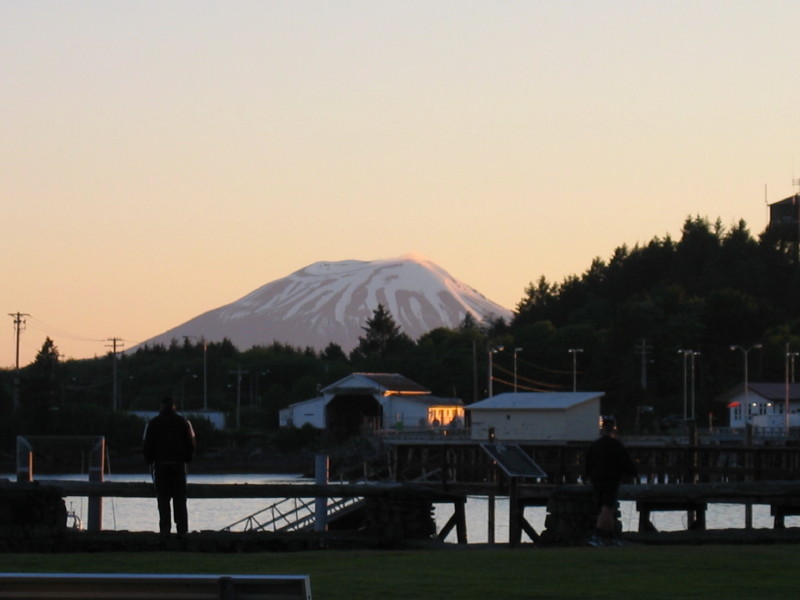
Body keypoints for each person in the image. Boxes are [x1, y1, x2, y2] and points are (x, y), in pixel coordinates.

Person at [143, 396, 196, 539]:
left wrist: (150, 460)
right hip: (178, 465)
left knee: (163, 499)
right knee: (180, 499)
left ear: (161, 406)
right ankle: (182, 530)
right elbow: (190, 444)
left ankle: (165, 530)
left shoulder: (153, 423)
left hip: (160, 465)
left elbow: (147, 445)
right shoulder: (182, 422)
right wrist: (187, 459)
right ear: (174, 406)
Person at [585, 416, 637, 546]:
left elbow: (588, 463)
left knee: (608, 508)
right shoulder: (616, 445)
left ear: (602, 429)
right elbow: (625, 463)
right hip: (611, 480)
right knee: (607, 508)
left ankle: (611, 536)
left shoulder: (595, 445)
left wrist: (588, 476)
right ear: (614, 429)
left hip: (597, 480)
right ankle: (596, 536)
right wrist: (633, 472)